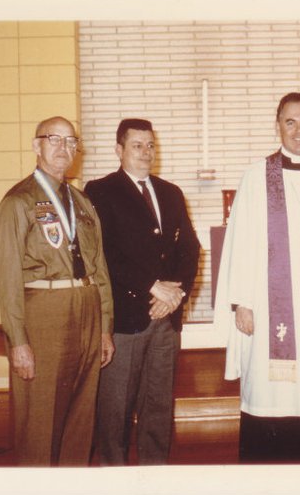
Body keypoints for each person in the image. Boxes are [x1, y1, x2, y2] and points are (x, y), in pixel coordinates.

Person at [213, 92, 300, 463]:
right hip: (268, 307)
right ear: (277, 125)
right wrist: (241, 302)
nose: (298, 130)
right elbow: (239, 242)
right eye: (290, 122)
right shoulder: (256, 177)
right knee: (273, 391)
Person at [0, 116, 114, 466]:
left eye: (71, 141)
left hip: (87, 309)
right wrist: (18, 341)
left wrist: (105, 327)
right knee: (40, 418)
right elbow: (7, 279)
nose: (64, 147)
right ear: (37, 146)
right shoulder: (18, 202)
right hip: (44, 313)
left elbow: (99, 268)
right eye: (54, 139)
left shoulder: (82, 202)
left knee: (81, 419)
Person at [84, 118, 200, 465]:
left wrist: (177, 295)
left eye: (151, 145)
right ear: (119, 150)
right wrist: (153, 287)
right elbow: (104, 253)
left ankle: (155, 476)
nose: (146, 152)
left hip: (166, 319)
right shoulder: (100, 191)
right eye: (137, 145)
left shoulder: (171, 192)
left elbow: (190, 249)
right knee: (115, 410)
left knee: (158, 407)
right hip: (126, 320)